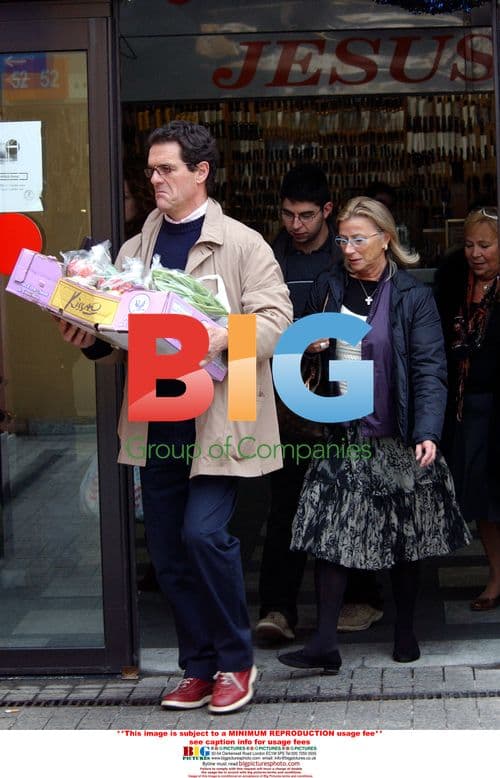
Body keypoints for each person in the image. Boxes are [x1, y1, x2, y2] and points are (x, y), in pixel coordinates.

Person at [57, 120, 293, 712]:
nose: (155, 179)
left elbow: (277, 320)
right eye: (152, 170)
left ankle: (236, 663)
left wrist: (221, 336)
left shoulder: (242, 243)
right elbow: (122, 333)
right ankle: (199, 666)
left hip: (221, 414)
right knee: (167, 550)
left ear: (200, 173)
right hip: (157, 413)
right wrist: (86, 337)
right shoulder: (137, 248)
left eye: (166, 169)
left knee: (204, 534)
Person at [277, 196, 471, 674]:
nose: (349, 249)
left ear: (387, 239)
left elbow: (430, 368)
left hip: (397, 435)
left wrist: (427, 431)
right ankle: (324, 644)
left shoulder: (411, 296)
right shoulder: (328, 286)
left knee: (404, 538)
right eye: (343, 239)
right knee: (331, 535)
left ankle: (405, 629)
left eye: (359, 239)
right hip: (344, 432)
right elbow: (304, 354)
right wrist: (310, 359)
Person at [256, 163, 340, 644]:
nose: (296, 224)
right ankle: (277, 610)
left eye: (306, 215)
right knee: (284, 505)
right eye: (288, 214)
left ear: (327, 210)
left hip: (338, 393)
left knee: (346, 496)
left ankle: (357, 598)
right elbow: (245, 323)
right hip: (282, 401)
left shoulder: (345, 252)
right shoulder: (266, 257)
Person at [435, 206, 500, 611]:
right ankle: (496, 576)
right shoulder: (453, 282)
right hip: (468, 408)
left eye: (486, 245)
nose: (475, 253)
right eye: (469, 245)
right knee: (482, 498)